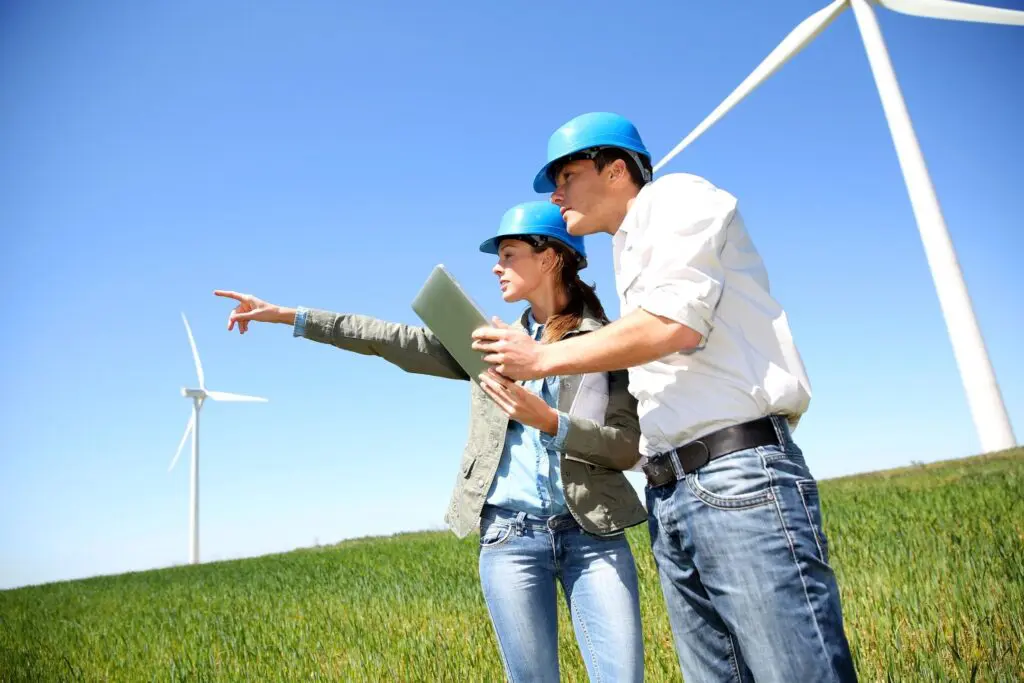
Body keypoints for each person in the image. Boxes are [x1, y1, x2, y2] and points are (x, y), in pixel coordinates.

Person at [472, 113, 858, 682]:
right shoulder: (628, 250)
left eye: (567, 174)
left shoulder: (676, 198)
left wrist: (542, 359)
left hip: (736, 476)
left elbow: (677, 325)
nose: (557, 194)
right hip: (673, 494)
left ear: (617, 170)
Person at [213, 200, 648, 682]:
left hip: (593, 533)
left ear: (548, 259)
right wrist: (289, 316)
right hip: (509, 537)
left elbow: (627, 447)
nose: (496, 267)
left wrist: (552, 423)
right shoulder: (486, 344)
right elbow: (389, 339)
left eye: (507, 254)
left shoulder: (607, 342)